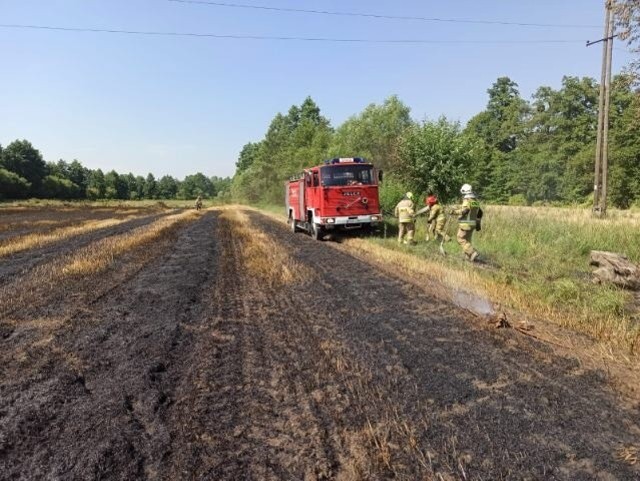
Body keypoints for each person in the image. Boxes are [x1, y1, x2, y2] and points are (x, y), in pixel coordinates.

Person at [450, 184, 482, 262]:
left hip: (466, 224)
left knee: (460, 238)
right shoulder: (475, 201)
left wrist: (454, 212)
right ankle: (468, 257)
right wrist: (478, 223)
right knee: (467, 240)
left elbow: (465, 211)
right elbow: (480, 212)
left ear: (464, 192)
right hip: (472, 224)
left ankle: (472, 252)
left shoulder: (467, 200)